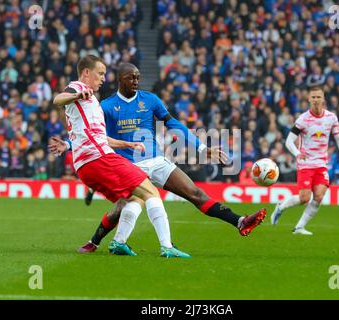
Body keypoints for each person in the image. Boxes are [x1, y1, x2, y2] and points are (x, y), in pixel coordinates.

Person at [50, 62, 266, 253]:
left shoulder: (150, 100)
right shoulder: (105, 105)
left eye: (137, 77)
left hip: (156, 160)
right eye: (131, 77)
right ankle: (95, 241)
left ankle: (239, 221)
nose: (135, 81)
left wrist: (200, 148)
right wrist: (69, 144)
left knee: (195, 193)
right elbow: (94, 134)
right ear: (120, 80)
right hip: (129, 164)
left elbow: (173, 124)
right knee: (125, 207)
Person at [52, 55, 190, 258]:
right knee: (151, 191)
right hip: (100, 159)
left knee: (132, 199)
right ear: (86, 73)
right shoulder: (79, 88)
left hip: (84, 167)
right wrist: (76, 96)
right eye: (100, 74)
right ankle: (167, 246)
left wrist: (127, 144)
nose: (103, 79)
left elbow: (98, 137)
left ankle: (117, 243)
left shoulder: (91, 101)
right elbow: (58, 99)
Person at [270, 86, 339, 235]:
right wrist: (297, 153)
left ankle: (299, 227)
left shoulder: (331, 118)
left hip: (321, 163)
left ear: (323, 99)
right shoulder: (303, 119)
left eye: (319, 97)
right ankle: (281, 206)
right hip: (305, 163)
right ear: (309, 99)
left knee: (319, 196)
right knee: (304, 198)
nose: (316, 100)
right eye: (313, 97)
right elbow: (289, 141)